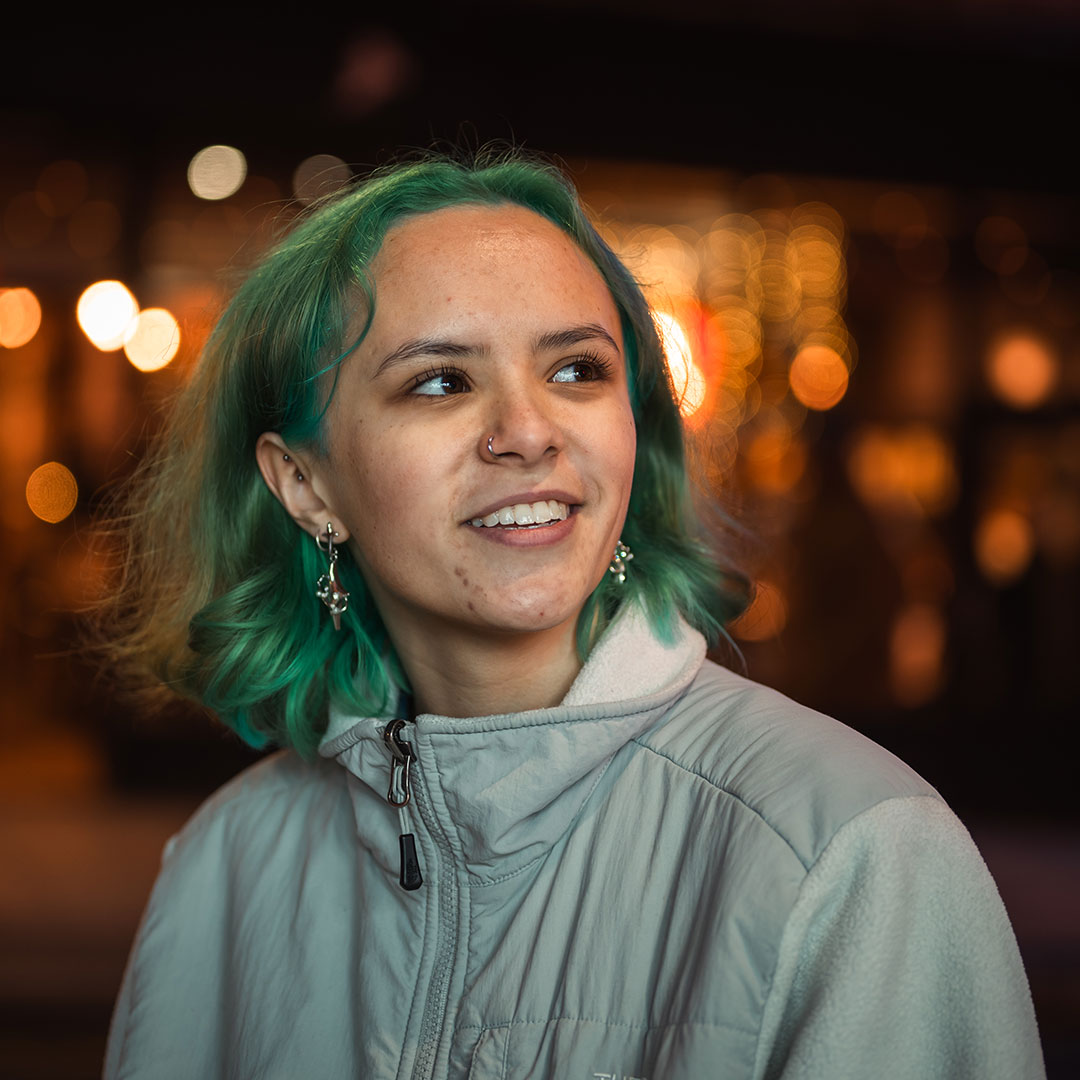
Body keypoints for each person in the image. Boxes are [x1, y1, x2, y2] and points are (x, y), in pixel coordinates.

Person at [101, 152, 1045, 1079]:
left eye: (578, 371)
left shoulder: (852, 850)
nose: (528, 431)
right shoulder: (221, 870)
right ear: (304, 485)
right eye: (440, 381)